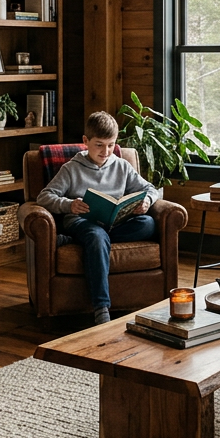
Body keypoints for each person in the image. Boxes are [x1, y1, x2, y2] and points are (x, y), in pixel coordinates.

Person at [36, 111, 158, 325]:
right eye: (99, 145)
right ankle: (101, 307)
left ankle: (76, 242)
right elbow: (44, 196)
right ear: (86, 141)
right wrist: (69, 204)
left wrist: (146, 201)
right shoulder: (71, 168)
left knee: (147, 223)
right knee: (96, 236)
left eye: (111, 145)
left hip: (113, 223)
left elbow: (150, 188)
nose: (106, 151)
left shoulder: (121, 165)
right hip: (82, 222)